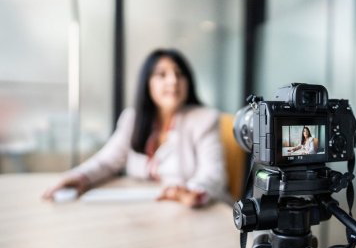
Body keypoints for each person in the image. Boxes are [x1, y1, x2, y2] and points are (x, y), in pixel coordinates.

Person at [43, 48, 228, 207]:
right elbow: (107, 161)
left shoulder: (204, 119)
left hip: (195, 211)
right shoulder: (132, 119)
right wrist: (80, 177)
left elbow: (213, 174)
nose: (173, 81)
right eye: (162, 74)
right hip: (150, 210)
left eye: (179, 74)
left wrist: (192, 192)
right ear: (147, 83)